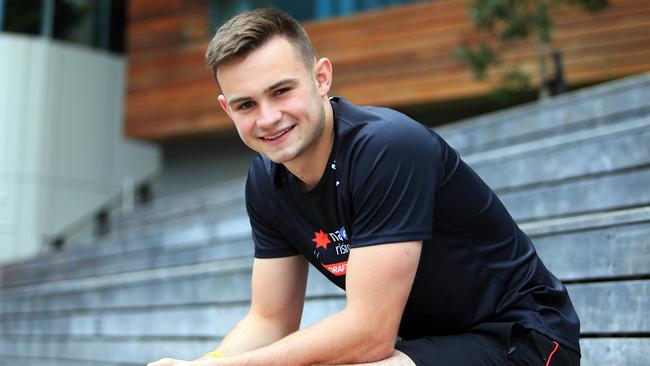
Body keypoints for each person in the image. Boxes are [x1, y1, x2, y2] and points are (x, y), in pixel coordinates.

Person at [147, 7, 581, 366]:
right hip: (423, 347)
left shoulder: (387, 148)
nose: (267, 117)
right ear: (227, 109)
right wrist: (208, 362)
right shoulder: (266, 180)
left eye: (281, 91)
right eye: (246, 104)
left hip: (525, 339)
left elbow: (368, 335)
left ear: (321, 78)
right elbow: (270, 320)